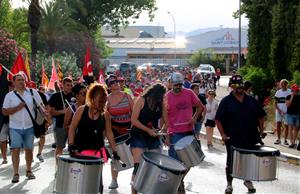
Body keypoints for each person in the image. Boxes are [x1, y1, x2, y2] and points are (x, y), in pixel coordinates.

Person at [215, 74, 266, 194]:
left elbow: (260, 116)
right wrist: (223, 134)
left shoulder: (251, 100)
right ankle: (229, 185)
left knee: (249, 161)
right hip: (232, 137)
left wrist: (262, 131)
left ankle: (247, 181)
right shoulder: (226, 101)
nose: (239, 87)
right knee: (231, 162)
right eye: (236, 85)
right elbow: (218, 119)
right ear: (232, 86)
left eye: (241, 85)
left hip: (251, 136)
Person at [68, 83, 119, 194]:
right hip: (80, 151)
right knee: (80, 184)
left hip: (96, 153)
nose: (102, 104)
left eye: (104, 101)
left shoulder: (105, 115)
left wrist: (115, 151)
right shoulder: (81, 110)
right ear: (92, 98)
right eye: (100, 101)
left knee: (96, 184)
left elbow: (109, 134)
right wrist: (71, 145)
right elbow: (72, 128)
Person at [163, 72, 204, 194]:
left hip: (188, 132)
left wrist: (194, 118)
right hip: (174, 133)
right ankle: (177, 185)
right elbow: (164, 118)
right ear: (171, 83)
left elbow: (200, 106)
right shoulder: (166, 97)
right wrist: (166, 136)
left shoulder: (189, 93)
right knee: (174, 162)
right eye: (175, 84)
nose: (178, 87)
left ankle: (179, 180)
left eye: (180, 84)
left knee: (191, 160)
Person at [2, 74, 44, 183]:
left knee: (29, 149)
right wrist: (17, 108)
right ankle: (16, 173)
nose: (21, 82)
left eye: (23, 80)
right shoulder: (9, 96)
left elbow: (41, 105)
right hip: (15, 127)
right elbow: (4, 111)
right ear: (14, 82)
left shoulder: (32, 92)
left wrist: (45, 115)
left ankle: (29, 171)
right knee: (15, 150)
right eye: (19, 80)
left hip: (29, 127)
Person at [130, 83, 167, 194]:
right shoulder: (141, 100)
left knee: (154, 167)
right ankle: (134, 192)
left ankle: (148, 190)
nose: (162, 98)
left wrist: (161, 131)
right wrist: (148, 130)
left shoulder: (161, 104)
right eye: (161, 95)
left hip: (153, 137)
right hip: (138, 135)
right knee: (138, 166)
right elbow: (134, 120)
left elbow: (166, 122)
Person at [106, 75, 133, 189]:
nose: (115, 83)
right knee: (115, 155)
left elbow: (134, 113)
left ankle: (135, 181)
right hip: (115, 129)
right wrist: (113, 128)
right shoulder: (107, 99)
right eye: (112, 82)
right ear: (109, 86)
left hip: (129, 128)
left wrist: (132, 127)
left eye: (116, 81)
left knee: (135, 155)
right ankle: (114, 180)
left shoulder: (127, 96)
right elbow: (105, 117)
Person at [48, 77, 73, 158]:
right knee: (60, 147)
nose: (69, 87)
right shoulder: (56, 96)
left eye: (70, 85)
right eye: (67, 85)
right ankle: (58, 167)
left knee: (73, 148)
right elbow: (51, 111)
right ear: (63, 85)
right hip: (60, 126)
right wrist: (61, 111)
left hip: (73, 126)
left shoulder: (75, 95)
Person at [0, 81, 14, 164]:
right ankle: (4, 158)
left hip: (13, 121)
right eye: (11, 86)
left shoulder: (16, 95)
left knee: (14, 140)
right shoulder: (2, 95)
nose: (12, 87)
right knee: (2, 140)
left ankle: (14, 157)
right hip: (3, 122)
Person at [274, 79, 291, 145]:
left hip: (287, 112)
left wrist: (287, 110)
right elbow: (275, 103)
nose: (282, 85)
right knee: (278, 124)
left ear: (286, 84)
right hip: (279, 111)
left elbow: (291, 102)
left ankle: (285, 140)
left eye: (284, 84)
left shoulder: (290, 92)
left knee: (286, 126)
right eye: (281, 84)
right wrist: (279, 110)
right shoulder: (278, 92)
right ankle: (278, 139)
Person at [285, 84, 300, 148]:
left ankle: (294, 141)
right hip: (290, 114)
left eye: (297, 90)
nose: (296, 91)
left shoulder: (299, 97)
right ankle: (292, 143)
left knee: (296, 129)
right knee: (290, 128)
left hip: (297, 114)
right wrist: (292, 97)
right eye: (295, 90)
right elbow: (287, 105)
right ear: (292, 90)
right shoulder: (288, 96)